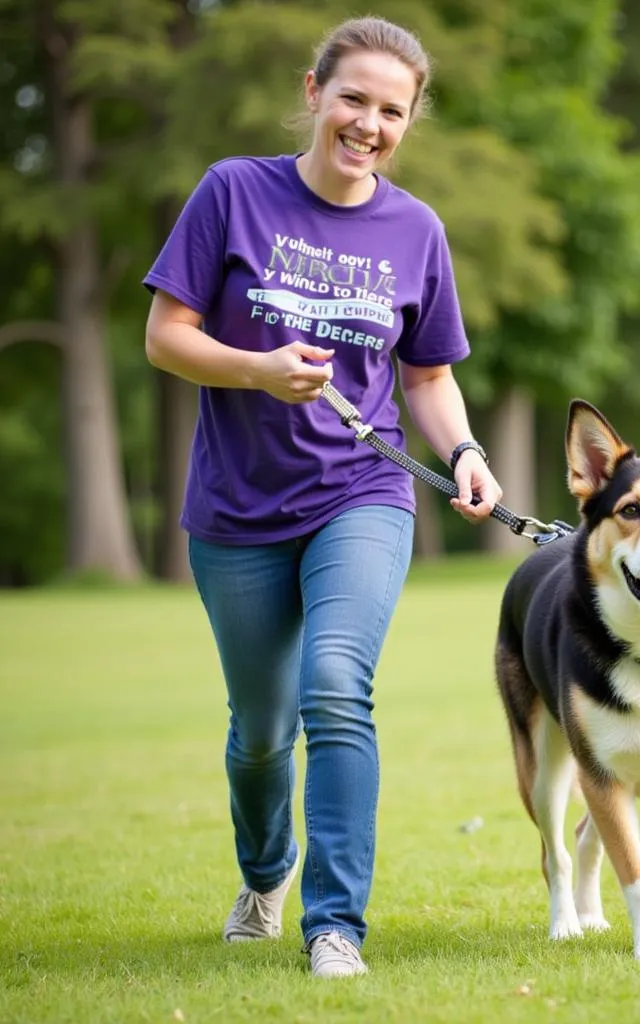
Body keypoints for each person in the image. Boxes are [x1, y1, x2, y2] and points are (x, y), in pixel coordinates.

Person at [143, 16, 502, 979]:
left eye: (392, 110)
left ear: (408, 122)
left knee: (337, 686)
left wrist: (465, 451)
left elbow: (427, 376)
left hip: (363, 491)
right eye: (354, 98)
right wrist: (256, 372)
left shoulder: (416, 230)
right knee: (261, 733)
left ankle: (334, 924)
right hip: (238, 508)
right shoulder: (233, 192)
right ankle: (266, 876)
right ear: (314, 92)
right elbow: (165, 337)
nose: (369, 124)